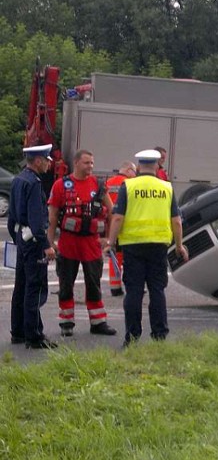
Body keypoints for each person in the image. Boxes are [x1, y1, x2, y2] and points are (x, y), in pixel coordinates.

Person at [105, 149, 188, 346]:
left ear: (140, 166)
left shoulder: (129, 186)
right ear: (157, 166)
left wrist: (110, 242)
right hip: (158, 246)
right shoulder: (166, 187)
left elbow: (117, 217)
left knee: (134, 291)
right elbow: (176, 221)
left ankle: (132, 337)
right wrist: (179, 246)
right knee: (157, 291)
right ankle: (159, 335)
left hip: (133, 246)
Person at [47, 150, 117, 337]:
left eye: (92, 163)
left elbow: (112, 212)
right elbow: (53, 217)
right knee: (66, 283)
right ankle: (66, 322)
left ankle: (98, 322)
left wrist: (108, 239)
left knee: (93, 283)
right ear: (76, 163)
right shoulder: (61, 185)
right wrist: (50, 242)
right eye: (87, 163)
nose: (90, 167)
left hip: (91, 244)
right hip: (68, 243)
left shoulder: (98, 185)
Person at [8, 144, 58, 349]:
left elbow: (12, 216)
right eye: (46, 160)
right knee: (35, 288)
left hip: (22, 238)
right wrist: (46, 244)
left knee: (20, 287)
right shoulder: (35, 183)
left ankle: (18, 331)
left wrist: (17, 238)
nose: (48, 164)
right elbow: (37, 220)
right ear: (38, 160)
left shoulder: (18, 179)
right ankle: (34, 335)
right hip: (34, 242)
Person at [106, 161, 137, 296]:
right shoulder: (130, 184)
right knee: (130, 258)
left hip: (111, 225)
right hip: (125, 226)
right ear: (129, 170)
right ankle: (134, 286)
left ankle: (115, 287)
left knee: (115, 256)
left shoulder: (109, 182)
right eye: (134, 172)